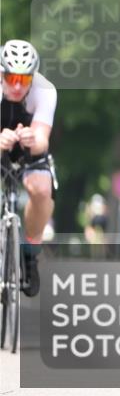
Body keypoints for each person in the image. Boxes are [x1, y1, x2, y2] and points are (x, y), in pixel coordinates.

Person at [0, 39, 57, 298]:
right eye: (11, 78)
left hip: (28, 146)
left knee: (42, 189)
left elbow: (43, 137)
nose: (17, 86)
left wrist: (32, 140)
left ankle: (30, 253)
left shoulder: (45, 90)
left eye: (24, 80)